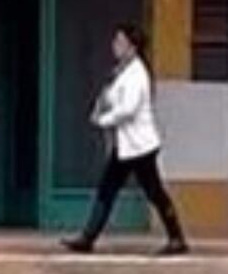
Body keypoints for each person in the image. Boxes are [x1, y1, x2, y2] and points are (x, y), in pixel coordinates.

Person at [61, 24, 189, 257]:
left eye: (120, 42)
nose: (115, 46)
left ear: (132, 48)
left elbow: (128, 109)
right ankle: (87, 238)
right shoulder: (122, 71)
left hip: (140, 147)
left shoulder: (137, 74)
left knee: (154, 192)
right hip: (125, 146)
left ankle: (177, 238)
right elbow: (112, 97)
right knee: (107, 189)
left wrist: (103, 120)